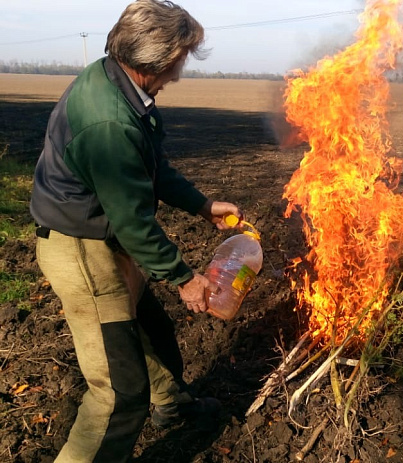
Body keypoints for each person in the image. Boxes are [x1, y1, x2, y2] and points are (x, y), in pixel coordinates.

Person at [29, 1, 240, 461]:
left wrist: (202, 205)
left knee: (153, 332)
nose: (180, 73)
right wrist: (185, 278)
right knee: (119, 392)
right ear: (160, 59)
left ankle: (172, 405)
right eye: (181, 59)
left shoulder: (119, 84)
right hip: (82, 249)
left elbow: (151, 167)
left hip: (104, 235)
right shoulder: (109, 121)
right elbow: (133, 223)